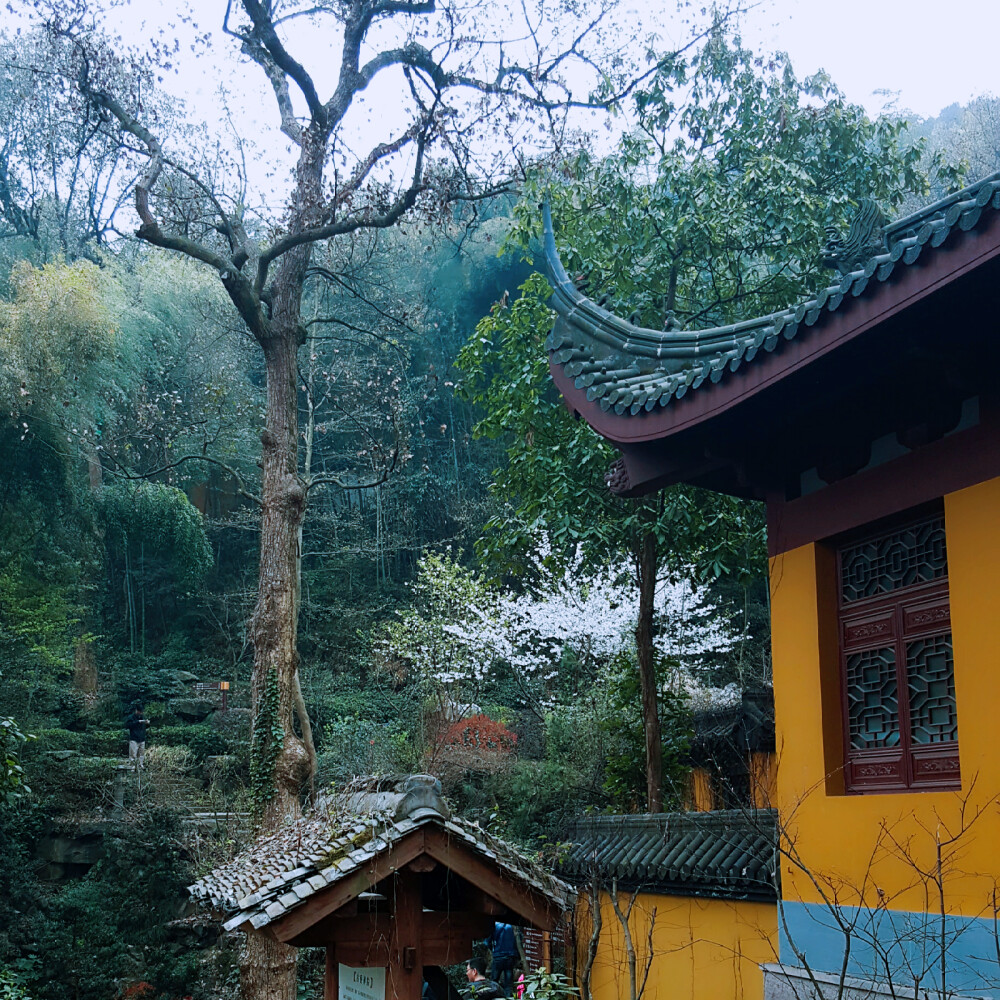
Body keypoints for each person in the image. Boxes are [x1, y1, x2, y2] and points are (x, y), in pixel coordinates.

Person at [486, 922, 517, 995]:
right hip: (510, 956)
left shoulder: (494, 926)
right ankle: (508, 996)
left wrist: (493, 950)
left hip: (498, 956)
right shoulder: (510, 926)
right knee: (508, 984)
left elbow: (487, 942)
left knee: (494, 982)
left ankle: (493, 997)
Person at [125, 702, 150, 770]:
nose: (141, 713)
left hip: (142, 738)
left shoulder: (143, 717)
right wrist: (138, 722)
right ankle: (132, 766)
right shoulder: (131, 717)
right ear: (136, 711)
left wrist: (147, 723)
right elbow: (128, 726)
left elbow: (146, 727)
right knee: (133, 754)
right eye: (140, 711)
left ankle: (140, 765)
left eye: (141, 712)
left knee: (141, 754)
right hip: (134, 738)